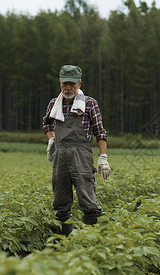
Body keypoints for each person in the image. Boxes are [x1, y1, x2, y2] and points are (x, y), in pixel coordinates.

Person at [43, 65, 110, 234]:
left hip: (81, 156)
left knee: (88, 200)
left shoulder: (89, 104)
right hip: (60, 158)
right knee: (60, 203)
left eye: (72, 84)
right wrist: (51, 139)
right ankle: (62, 245)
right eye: (65, 83)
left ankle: (94, 242)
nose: (68, 87)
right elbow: (47, 124)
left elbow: (100, 133)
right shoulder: (54, 104)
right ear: (60, 83)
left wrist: (103, 157)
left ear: (79, 84)